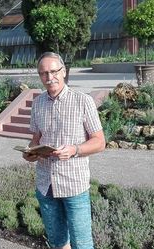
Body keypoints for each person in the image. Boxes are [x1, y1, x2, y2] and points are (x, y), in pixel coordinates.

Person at [23, 52, 105, 249]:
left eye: (53, 71)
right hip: (46, 185)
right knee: (58, 242)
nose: (49, 77)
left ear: (64, 71)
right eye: (43, 73)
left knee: (82, 244)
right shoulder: (38, 103)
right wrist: (30, 153)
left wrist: (75, 149)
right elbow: (35, 140)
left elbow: (100, 142)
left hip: (74, 185)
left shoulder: (83, 101)